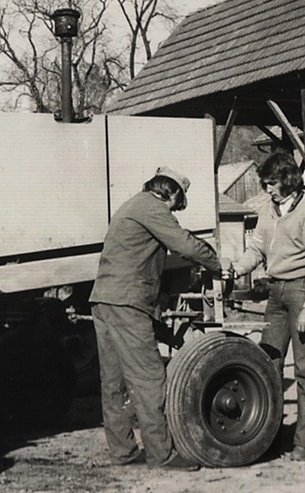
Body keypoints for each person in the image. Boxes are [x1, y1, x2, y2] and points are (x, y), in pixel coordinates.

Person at [89, 166, 222, 471]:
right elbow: (184, 243)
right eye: (178, 202)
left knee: (114, 381)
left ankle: (122, 452)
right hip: (126, 302)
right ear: (171, 191)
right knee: (149, 377)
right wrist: (216, 263)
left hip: (104, 299)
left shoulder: (132, 205)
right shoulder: (152, 208)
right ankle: (162, 455)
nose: (176, 209)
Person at [224, 152, 305, 462]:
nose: (267, 189)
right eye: (265, 184)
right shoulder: (268, 211)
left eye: (271, 184)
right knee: (267, 365)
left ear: (287, 181)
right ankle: (266, 436)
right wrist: (237, 269)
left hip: (301, 291)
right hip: (275, 294)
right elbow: (256, 248)